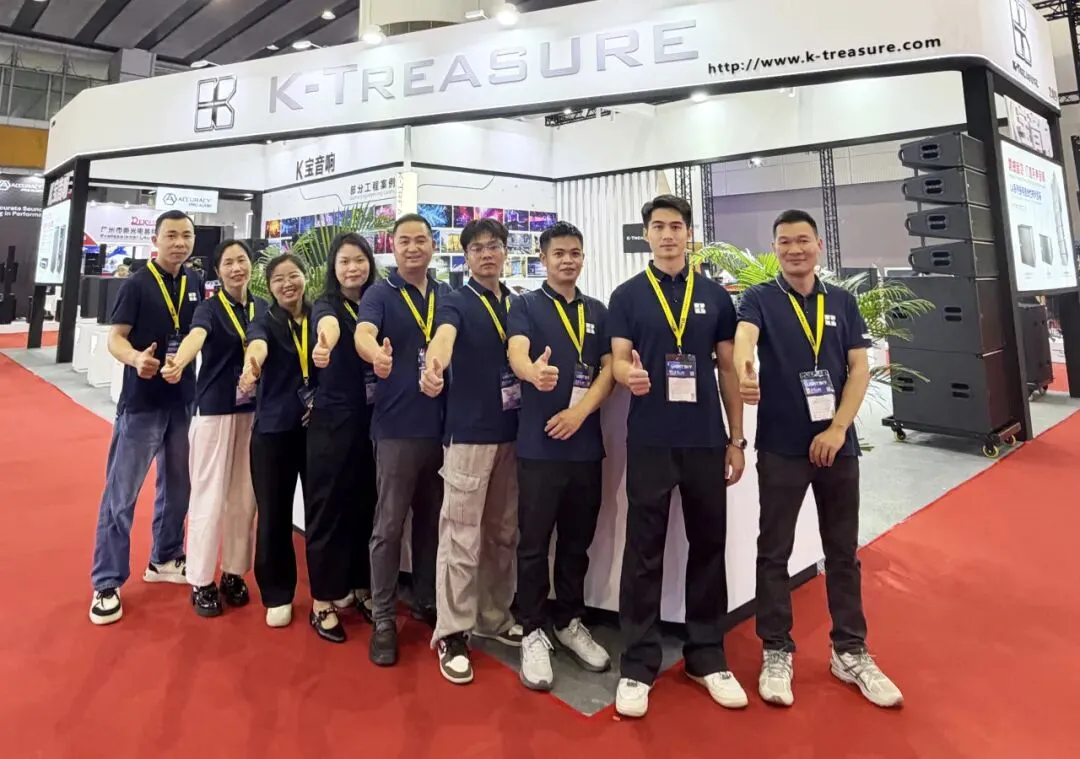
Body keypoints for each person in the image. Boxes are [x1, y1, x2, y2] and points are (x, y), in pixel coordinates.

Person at [734, 209, 903, 709]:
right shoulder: (760, 298)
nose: (794, 249)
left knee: (843, 551)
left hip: (836, 445)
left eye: (802, 240)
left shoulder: (842, 301)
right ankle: (776, 649)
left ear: (819, 246)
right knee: (774, 550)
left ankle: (850, 650)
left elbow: (859, 368)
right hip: (782, 446)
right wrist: (745, 371)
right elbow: (745, 340)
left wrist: (837, 428)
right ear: (775, 249)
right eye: (784, 242)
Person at [607, 194, 748, 718]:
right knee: (643, 550)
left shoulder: (715, 296)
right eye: (659, 226)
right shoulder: (627, 295)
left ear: (689, 234)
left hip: (706, 439)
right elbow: (617, 361)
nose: (668, 234)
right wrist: (629, 375)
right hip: (650, 439)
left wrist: (737, 439)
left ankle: (706, 655)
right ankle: (638, 664)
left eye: (676, 226)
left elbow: (727, 369)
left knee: (708, 544)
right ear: (646, 234)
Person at [506, 221, 615, 691]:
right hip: (539, 447)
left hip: (585, 447)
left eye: (575, 253)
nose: (567, 260)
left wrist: (579, 412)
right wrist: (532, 373)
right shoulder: (526, 305)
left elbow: (610, 369)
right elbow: (516, 352)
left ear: (583, 258)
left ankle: (569, 621)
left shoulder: (598, 311)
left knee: (576, 541)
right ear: (543, 258)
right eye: (559, 254)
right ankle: (532, 628)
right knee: (533, 543)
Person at [420, 217, 522, 685]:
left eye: (494, 245)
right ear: (466, 256)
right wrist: (434, 366)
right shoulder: (456, 301)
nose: (486, 254)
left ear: (505, 252)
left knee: (503, 533)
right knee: (461, 536)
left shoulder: (516, 302)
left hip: (512, 434)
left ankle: (493, 616)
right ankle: (453, 631)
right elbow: (442, 338)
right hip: (468, 436)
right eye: (477, 248)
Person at [89, 210, 202, 625]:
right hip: (141, 404)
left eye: (186, 235)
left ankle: (165, 557)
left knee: (178, 488)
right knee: (121, 495)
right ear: (155, 240)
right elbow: (115, 339)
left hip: (182, 401)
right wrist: (136, 358)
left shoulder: (194, 283)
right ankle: (107, 581)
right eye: (171, 235)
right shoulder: (136, 284)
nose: (179, 242)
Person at [356, 213, 451, 666]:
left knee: (432, 523)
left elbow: (449, 339)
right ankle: (383, 618)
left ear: (433, 245)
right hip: (395, 430)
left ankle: (426, 600)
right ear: (392, 247)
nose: (413, 248)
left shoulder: (446, 294)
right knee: (389, 527)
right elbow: (363, 332)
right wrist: (375, 354)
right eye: (404, 241)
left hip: (442, 430)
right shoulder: (380, 293)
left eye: (421, 240)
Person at [162, 239, 266, 617]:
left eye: (242, 261)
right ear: (218, 271)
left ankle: (233, 573)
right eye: (228, 263)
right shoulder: (209, 308)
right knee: (207, 495)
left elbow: (261, 344)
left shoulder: (261, 307)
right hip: (214, 412)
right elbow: (196, 337)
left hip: (252, 412)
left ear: (251, 265)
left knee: (244, 498)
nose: (237, 268)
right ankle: (201, 579)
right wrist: (178, 361)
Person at [305, 233, 380, 643]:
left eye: (359, 260)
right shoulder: (326, 305)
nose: (353, 268)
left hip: (373, 420)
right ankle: (322, 599)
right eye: (344, 262)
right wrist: (325, 344)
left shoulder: (378, 300)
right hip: (333, 422)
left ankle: (360, 586)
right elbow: (328, 327)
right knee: (328, 509)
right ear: (333, 269)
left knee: (365, 506)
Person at [238, 253, 315, 630]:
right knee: (273, 514)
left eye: (293, 275)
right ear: (269, 286)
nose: (288, 284)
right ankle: (278, 593)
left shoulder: (319, 316)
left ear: (305, 278)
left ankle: (329, 587)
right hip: (273, 433)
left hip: (317, 430)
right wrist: (251, 367)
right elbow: (257, 345)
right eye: (279, 279)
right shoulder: (264, 321)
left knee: (322, 510)